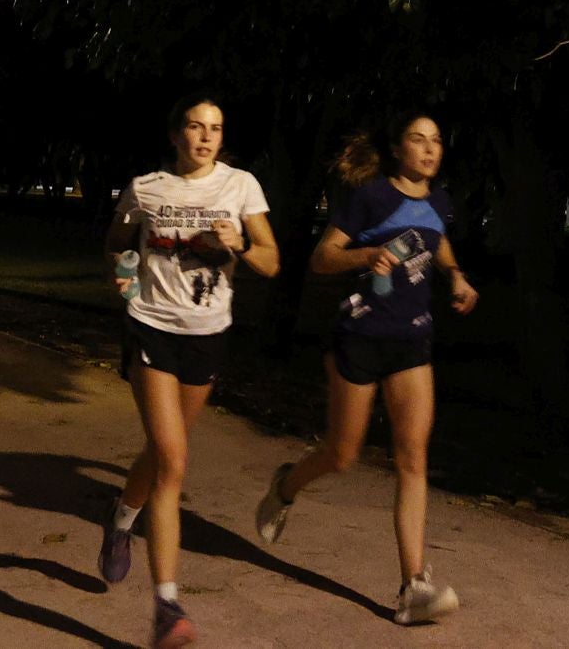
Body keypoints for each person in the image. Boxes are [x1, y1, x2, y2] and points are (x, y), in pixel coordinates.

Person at [253, 112, 479, 626]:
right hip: (359, 337)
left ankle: (413, 584)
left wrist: (457, 277)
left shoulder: (439, 200)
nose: (428, 149)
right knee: (341, 454)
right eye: (417, 140)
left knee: (412, 459)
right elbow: (321, 258)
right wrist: (368, 254)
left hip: (413, 342)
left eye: (436, 140)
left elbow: (438, 239)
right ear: (399, 149)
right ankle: (286, 485)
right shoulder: (371, 197)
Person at [100, 96, 279, 649]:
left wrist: (240, 244)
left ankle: (121, 518)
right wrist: (127, 280)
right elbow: (116, 246)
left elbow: (271, 261)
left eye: (216, 129)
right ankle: (167, 606)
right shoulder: (145, 188)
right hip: (151, 329)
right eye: (196, 128)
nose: (206, 137)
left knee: (159, 455)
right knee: (174, 460)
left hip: (207, 336)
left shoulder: (241, 185)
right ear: (176, 134)